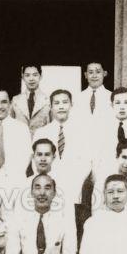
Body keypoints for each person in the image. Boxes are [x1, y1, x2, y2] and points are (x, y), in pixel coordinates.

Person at [33, 89, 93, 229]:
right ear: (51, 106)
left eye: (65, 102)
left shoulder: (82, 131)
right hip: (49, 190)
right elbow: (36, 162)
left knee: (72, 229)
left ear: (71, 105)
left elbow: (87, 163)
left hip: (74, 189)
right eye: (57, 103)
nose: (61, 106)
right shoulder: (41, 132)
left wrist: (74, 187)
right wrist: (49, 185)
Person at [11, 64, 51, 134]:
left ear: (40, 76)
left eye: (35, 75)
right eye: (27, 75)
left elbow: (52, 126)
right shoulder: (15, 100)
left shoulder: (48, 100)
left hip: (41, 139)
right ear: (23, 77)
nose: (31, 79)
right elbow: (10, 124)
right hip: (20, 138)